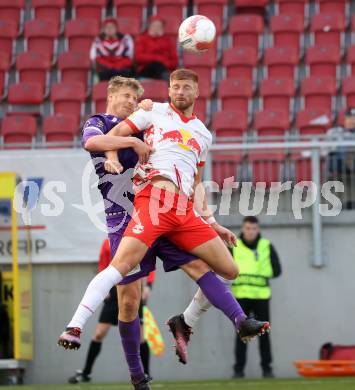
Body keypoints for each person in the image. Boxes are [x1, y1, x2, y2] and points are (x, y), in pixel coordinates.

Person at [57, 71, 270, 390]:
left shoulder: (151, 120)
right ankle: (136, 374)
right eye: (125, 96)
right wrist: (127, 140)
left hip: (165, 211)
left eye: (134, 96)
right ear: (110, 96)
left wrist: (210, 220)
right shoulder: (100, 122)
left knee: (205, 266)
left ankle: (204, 321)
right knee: (129, 302)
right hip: (124, 216)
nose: (130, 101)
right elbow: (94, 142)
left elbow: (184, 165)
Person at [68, 239, 154, 384]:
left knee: (140, 336)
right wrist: (104, 288)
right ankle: (86, 373)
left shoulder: (139, 237)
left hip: (133, 288)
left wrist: (148, 286)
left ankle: (144, 374)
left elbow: (149, 261)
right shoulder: (107, 241)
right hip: (114, 291)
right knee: (99, 333)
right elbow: (103, 264)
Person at [231, 216, 281, 378]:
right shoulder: (233, 246)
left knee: (264, 334)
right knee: (242, 334)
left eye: (253, 229)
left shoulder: (266, 246)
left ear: (257, 230)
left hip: (261, 296)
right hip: (241, 296)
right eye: (247, 228)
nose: (250, 232)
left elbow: (277, 270)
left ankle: (267, 369)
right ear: (242, 229)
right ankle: (238, 371)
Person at [135, 16, 178, 81]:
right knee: (156, 65)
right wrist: (157, 58)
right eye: (154, 26)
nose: (156, 28)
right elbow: (139, 57)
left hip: (164, 68)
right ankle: (167, 80)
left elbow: (174, 62)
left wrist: (163, 63)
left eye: (159, 26)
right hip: (146, 69)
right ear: (149, 26)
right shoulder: (142, 39)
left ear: (162, 28)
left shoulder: (168, 40)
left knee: (159, 67)